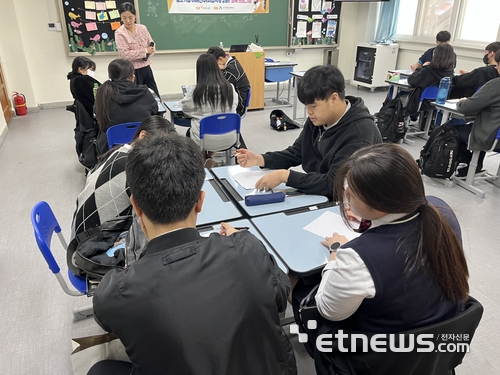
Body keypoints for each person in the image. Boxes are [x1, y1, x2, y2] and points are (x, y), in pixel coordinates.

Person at [89, 133, 297, 375]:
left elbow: (108, 321)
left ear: (136, 207)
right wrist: (239, 242)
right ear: (200, 201)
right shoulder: (248, 248)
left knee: (101, 370)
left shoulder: (117, 290)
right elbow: (281, 295)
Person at [294, 144, 469, 370]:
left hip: (379, 356)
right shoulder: (439, 210)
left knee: (295, 283)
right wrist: (369, 220)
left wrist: (337, 252)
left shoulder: (357, 257)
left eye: (350, 195)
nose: (346, 199)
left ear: (378, 204)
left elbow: (330, 311)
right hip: (430, 341)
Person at [236, 65, 381, 200]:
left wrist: (286, 176)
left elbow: (334, 185)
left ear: (334, 99)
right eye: (306, 106)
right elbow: (297, 152)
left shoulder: (360, 135)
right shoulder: (319, 118)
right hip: (322, 192)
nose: (309, 112)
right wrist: (259, 159)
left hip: (355, 203)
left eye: (313, 106)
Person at [71, 116, 175, 239]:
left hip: (82, 235)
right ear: (142, 136)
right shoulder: (134, 168)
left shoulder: (120, 152)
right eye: (159, 146)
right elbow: (159, 214)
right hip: (92, 247)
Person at [181, 53, 238, 166]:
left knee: (193, 130)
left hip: (204, 140)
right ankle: (210, 158)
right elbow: (235, 105)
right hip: (230, 137)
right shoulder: (230, 87)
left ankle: (203, 160)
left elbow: (185, 108)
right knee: (216, 125)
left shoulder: (197, 91)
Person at [452, 49, 500, 176]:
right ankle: (474, 165)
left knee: (450, 129)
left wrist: (462, 101)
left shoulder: (496, 85)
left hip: (490, 137)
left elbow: (466, 108)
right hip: (496, 134)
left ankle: (453, 165)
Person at [95, 58, 158, 153]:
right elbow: (154, 111)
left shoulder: (103, 91)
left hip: (111, 145)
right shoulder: (144, 91)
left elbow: (97, 114)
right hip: (143, 142)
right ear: (131, 76)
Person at [115, 2, 160, 98]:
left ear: (135, 16)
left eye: (130, 17)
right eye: (124, 18)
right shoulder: (119, 33)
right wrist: (145, 52)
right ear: (121, 17)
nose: (127, 21)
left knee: (154, 95)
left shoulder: (142, 28)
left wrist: (146, 54)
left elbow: (152, 46)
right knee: (137, 97)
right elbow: (125, 55)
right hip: (132, 71)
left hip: (146, 68)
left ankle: (158, 112)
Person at [406, 43, 456, 115]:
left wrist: (421, 68)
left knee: (397, 97)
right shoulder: (450, 72)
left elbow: (411, 80)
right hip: (439, 102)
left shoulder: (428, 70)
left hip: (421, 102)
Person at [207, 46, 251, 116]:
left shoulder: (231, 70)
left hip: (237, 106)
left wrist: (215, 69)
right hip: (232, 100)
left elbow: (217, 88)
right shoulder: (232, 61)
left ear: (220, 59)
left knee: (204, 108)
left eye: (214, 64)